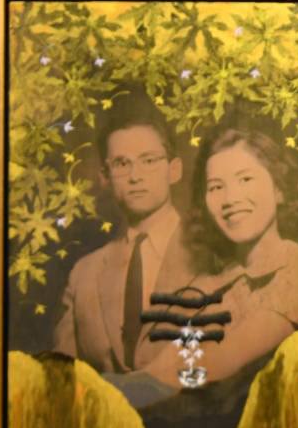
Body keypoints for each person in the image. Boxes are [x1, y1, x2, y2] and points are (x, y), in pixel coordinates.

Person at [136, 119, 298, 395]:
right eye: (216, 187)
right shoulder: (214, 282)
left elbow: (221, 361)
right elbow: (153, 364)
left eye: (245, 179)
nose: (230, 199)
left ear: (279, 189)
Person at [53, 98, 194, 375]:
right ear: (105, 176)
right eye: (121, 164)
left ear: (174, 170)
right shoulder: (84, 275)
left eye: (148, 160)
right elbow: (63, 381)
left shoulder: (215, 253)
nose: (135, 176)